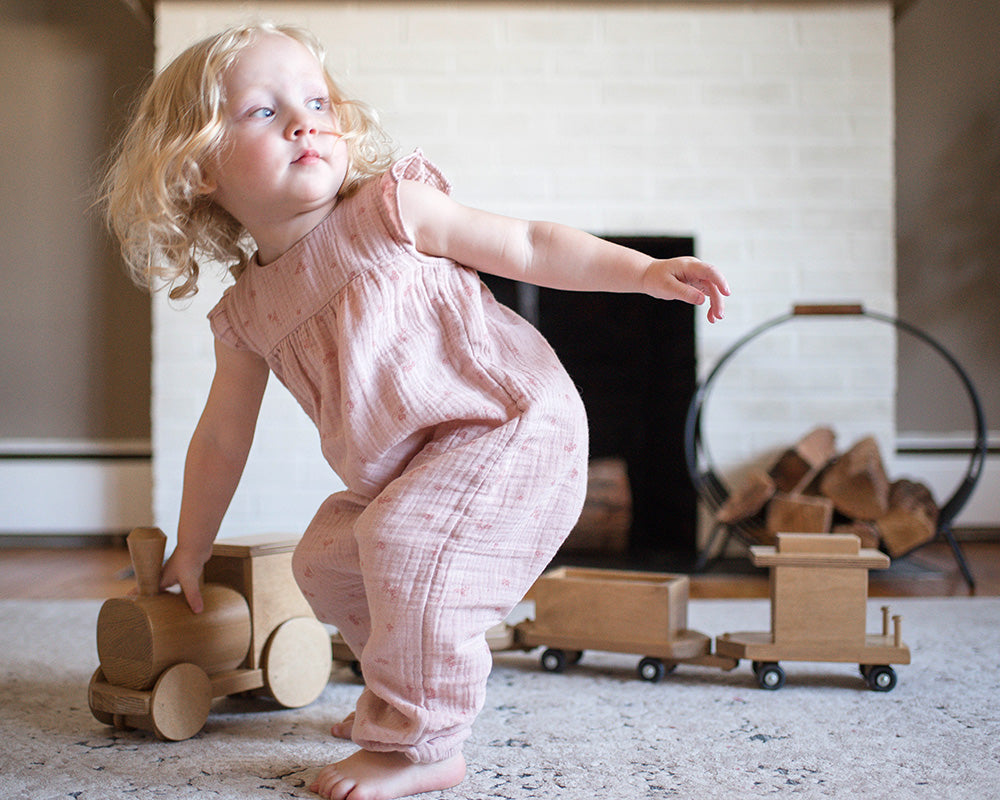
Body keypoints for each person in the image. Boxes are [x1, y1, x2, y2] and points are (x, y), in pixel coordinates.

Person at [104, 21, 729, 800]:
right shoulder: (248, 311)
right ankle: (403, 690)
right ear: (198, 167)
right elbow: (223, 434)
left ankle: (423, 743)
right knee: (325, 561)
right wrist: (190, 549)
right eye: (263, 112)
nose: (303, 120)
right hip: (416, 467)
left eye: (315, 101)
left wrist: (643, 274)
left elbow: (530, 244)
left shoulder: (390, 208)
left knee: (401, 542)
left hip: (510, 425)